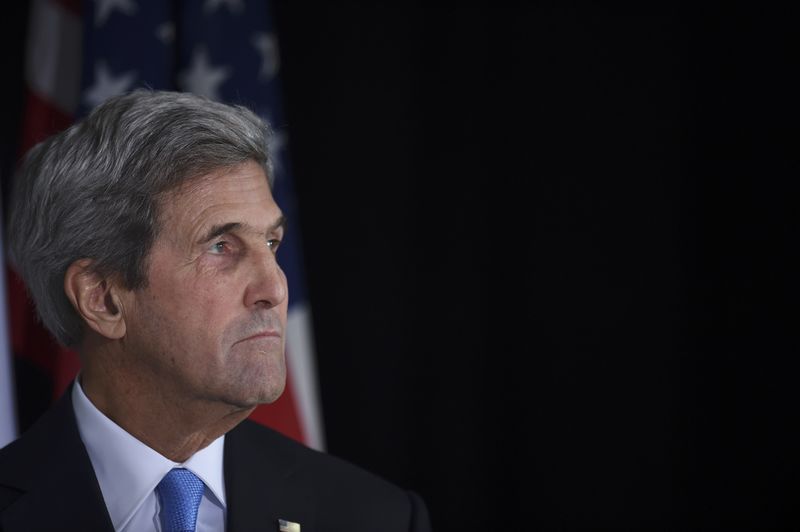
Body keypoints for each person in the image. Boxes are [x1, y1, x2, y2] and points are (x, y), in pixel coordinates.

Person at [0, 89, 431, 532]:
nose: (275, 288)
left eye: (271, 243)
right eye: (221, 246)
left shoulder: (377, 517)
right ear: (103, 298)